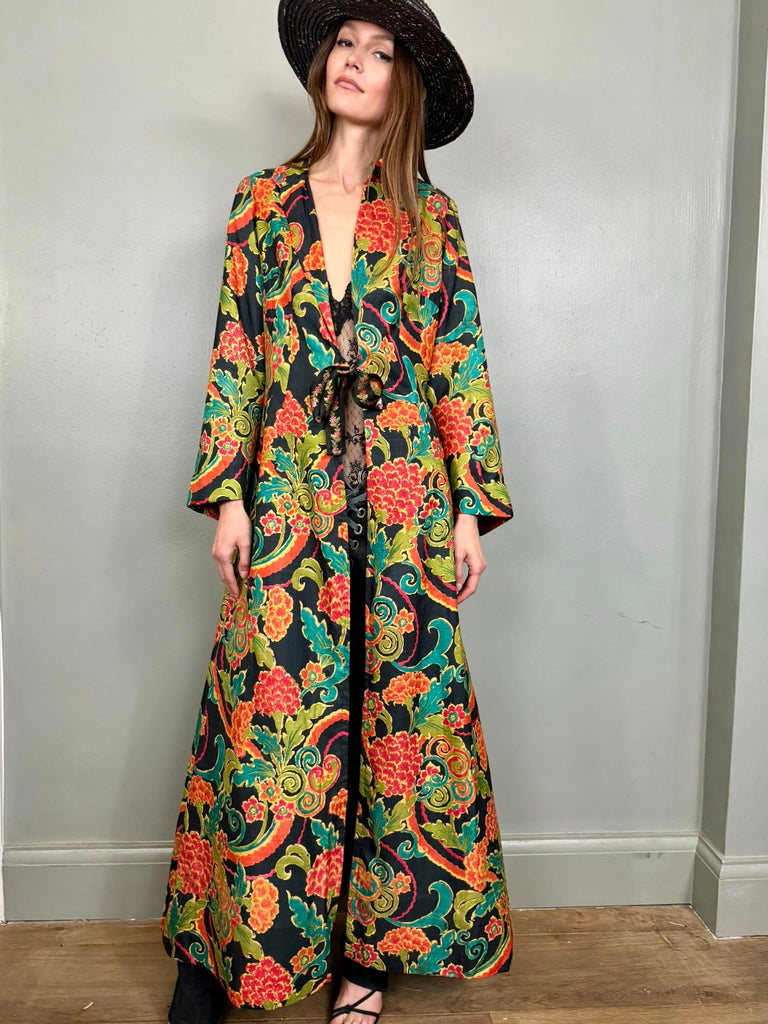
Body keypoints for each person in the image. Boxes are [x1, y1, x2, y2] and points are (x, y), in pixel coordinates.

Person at [160, 2, 514, 1022]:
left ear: (406, 84)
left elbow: (457, 362)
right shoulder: (262, 201)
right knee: (270, 719)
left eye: (380, 51)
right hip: (288, 494)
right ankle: (224, 946)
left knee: (399, 730)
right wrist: (227, 496)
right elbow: (238, 350)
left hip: (404, 504)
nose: (355, 61)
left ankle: (368, 958)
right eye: (345, 45)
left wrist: (468, 508)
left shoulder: (432, 218)